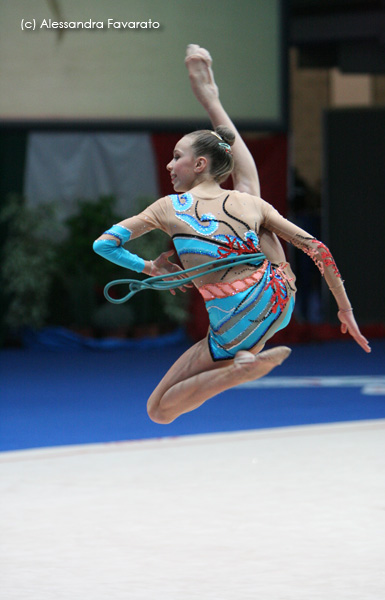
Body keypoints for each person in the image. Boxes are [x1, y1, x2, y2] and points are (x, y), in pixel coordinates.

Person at [93, 47, 370, 425]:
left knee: (158, 411)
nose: (170, 164)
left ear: (200, 163)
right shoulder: (246, 202)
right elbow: (316, 248)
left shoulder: (166, 208)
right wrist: (345, 309)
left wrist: (148, 267)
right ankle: (211, 97)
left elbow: (104, 245)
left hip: (232, 320)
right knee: (253, 199)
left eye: (177, 157)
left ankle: (236, 369)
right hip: (276, 296)